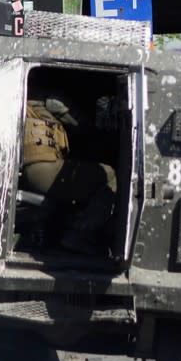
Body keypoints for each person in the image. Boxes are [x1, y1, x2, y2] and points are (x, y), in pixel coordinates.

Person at [21, 95, 117, 255]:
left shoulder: (24, 104)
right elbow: (79, 123)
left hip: (30, 170)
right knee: (109, 175)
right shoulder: (45, 101)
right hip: (42, 169)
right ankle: (79, 234)